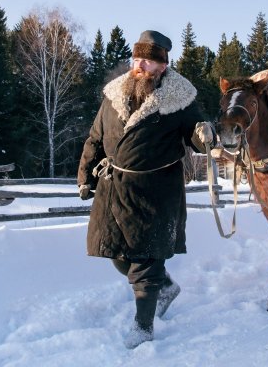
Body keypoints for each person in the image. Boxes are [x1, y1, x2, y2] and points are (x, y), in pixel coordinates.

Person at [77, 30, 215, 348]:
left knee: (146, 262)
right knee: (116, 253)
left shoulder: (179, 99)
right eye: (137, 59)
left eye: (148, 61)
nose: (140, 65)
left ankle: (143, 326)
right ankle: (165, 288)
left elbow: (196, 134)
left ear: (162, 66)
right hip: (115, 190)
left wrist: (205, 132)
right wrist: (85, 175)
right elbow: (95, 138)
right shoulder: (113, 95)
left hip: (156, 193)